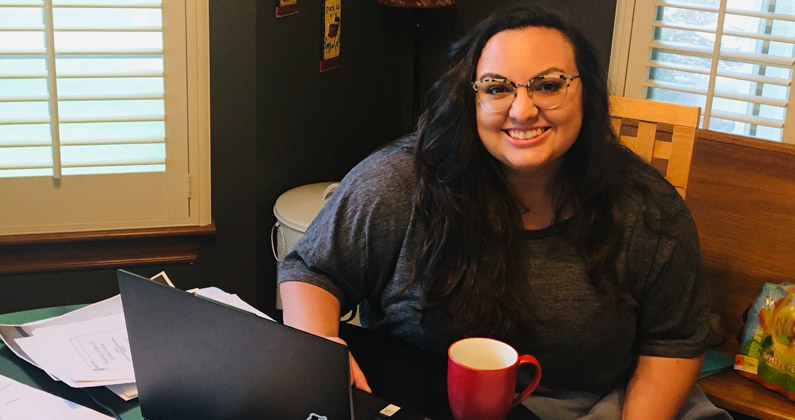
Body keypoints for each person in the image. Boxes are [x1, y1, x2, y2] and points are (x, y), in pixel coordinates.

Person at [279, 3, 731, 419]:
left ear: (587, 93)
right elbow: (311, 271)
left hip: (597, 406)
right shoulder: (398, 182)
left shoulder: (647, 208)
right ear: (471, 98)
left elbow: (673, 340)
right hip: (424, 394)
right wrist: (323, 355)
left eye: (548, 85)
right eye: (497, 88)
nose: (523, 109)